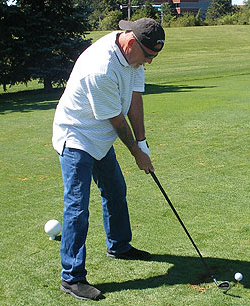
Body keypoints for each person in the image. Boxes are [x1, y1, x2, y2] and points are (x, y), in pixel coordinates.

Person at [52, 18, 165, 301]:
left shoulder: (133, 59)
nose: (149, 63)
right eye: (148, 56)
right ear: (131, 42)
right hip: (77, 136)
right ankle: (72, 277)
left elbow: (134, 100)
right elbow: (117, 119)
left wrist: (143, 144)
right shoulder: (100, 69)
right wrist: (137, 154)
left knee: (115, 190)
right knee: (77, 206)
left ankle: (119, 245)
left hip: (100, 136)